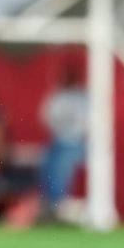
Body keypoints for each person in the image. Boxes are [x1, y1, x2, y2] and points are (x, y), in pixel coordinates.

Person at [38, 63, 88, 221]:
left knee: (61, 166)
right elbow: (46, 117)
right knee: (45, 165)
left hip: (76, 143)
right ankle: (49, 204)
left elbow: (85, 124)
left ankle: (59, 206)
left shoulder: (82, 97)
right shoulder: (56, 95)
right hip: (57, 141)